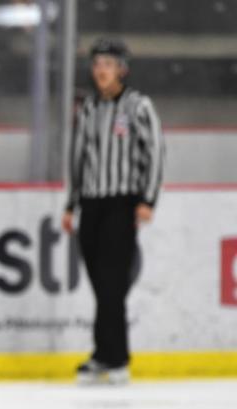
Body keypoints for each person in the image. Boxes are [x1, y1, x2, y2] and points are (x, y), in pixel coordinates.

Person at [62, 38, 164, 385]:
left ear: (122, 69)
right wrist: (71, 204)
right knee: (99, 283)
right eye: (96, 64)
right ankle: (105, 354)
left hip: (122, 203)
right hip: (92, 204)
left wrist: (148, 199)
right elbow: (78, 158)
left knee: (112, 284)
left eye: (107, 64)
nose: (100, 70)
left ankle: (115, 356)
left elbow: (155, 152)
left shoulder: (138, 106)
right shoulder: (88, 108)